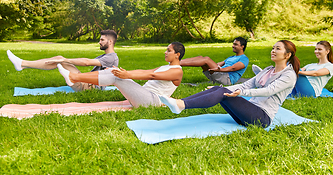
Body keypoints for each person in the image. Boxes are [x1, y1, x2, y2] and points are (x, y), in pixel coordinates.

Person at [159, 40, 300, 128]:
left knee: (221, 92)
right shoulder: (268, 70)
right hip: (246, 114)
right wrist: (221, 89)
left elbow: (269, 91)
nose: (273, 51)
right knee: (218, 89)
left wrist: (241, 93)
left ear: (287, 55)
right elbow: (246, 85)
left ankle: (181, 105)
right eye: (273, 48)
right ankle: (179, 103)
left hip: (261, 118)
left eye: (278, 49)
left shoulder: (289, 75)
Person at [57, 42, 185, 108]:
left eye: (169, 50)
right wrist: (125, 73)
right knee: (114, 71)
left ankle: (73, 78)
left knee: (115, 76)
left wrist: (127, 76)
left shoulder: (177, 71)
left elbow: (152, 76)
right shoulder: (166, 67)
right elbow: (146, 72)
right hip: (144, 95)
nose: (165, 52)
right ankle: (74, 78)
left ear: (177, 55)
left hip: (151, 101)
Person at [7, 30, 119, 91]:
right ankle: (23, 64)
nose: (99, 42)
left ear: (110, 42)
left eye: (102, 40)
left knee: (60, 60)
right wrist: (64, 60)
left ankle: (22, 64)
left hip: (90, 88)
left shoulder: (111, 57)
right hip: (88, 83)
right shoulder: (104, 56)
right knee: (59, 59)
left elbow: (86, 62)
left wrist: (65, 60)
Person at [180, 37, 249, 85]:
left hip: (227, 79)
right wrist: (209, 65)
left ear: (242, 46)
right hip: (220, 73)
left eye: (235, 44)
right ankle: (178, 61)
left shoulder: (244, 59)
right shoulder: (232, 57)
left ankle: (177, 63)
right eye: (233, 44)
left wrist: (219, 70)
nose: (233, 46)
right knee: (201, 58)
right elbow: (219, 63)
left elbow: (233, 68)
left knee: (206, 59)